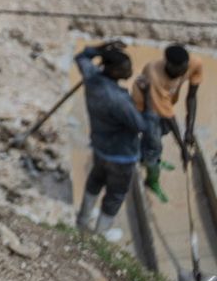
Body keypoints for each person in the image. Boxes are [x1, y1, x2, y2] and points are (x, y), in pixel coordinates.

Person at [76, 42, 145, 238]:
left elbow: (81, 57)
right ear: (114, 71)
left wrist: (101, 48)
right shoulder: (119, 100)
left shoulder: (91, 77)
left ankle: (82, 220)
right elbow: (140, 125)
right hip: (122, 156)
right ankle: (99, 234)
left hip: (100, 147)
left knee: (95, 180)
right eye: (126, 69)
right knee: (115, 195)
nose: (131, 71)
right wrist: (147, 101)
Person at [135, 44, 202, 202]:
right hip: (145, 106)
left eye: (183, 71)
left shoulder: (195, 63)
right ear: (167, 65)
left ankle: (149, 157)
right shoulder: (154, 74)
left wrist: (189, 130)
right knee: (153, 144)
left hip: (165, 104)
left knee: (162, 133)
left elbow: (191, 97)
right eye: (176, 71)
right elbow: (170, 117)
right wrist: (182, 148)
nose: (180, 74)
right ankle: (151, 179)